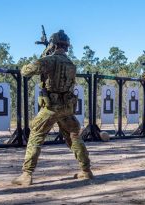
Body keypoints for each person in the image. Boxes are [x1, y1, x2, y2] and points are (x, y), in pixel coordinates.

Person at [12, 30, 92, 186]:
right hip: (66, 107)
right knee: (74, 137)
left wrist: (46, 52)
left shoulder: (50, 59)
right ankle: (86, 170)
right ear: (67, 46)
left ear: (54, 45)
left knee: (36, 135)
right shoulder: (70, 63)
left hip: (51, 107)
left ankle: (26, 175)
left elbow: (26, 71)